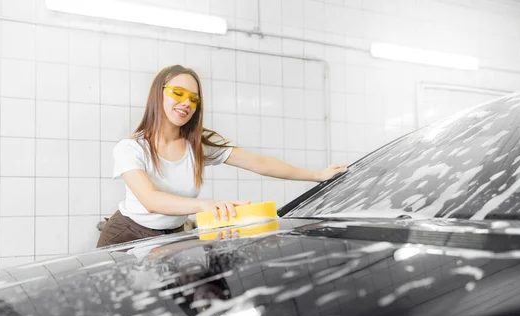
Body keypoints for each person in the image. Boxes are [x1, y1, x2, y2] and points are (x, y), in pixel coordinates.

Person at [97, 64, 347, 248]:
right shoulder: (130, 148)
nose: (187, 103)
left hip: (171, 236)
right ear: (158, 94)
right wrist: (205, 205)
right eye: (178, 93)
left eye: (193, 99)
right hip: (126, 235)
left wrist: (317, 175)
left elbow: (259, 163)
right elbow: (151, 200)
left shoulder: (198, 144)